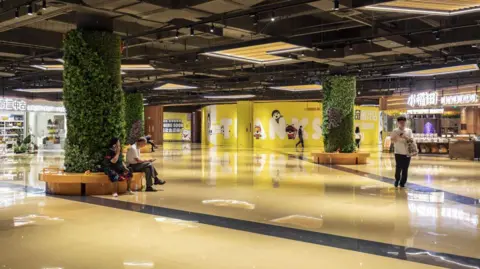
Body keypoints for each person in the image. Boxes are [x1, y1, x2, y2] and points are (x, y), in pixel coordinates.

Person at [390, 116, 413, 188]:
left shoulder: (409, 131)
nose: (402, 124)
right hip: (398, 152)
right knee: (398, 167)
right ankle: (397, 179)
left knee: (405, 169)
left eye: (403, 122)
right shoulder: (395, 131)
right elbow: (392, 140)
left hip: (407, 152)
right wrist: (397, 137)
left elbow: (411, 141)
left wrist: (405, 137)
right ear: (398, 123)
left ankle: (402, 183)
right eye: (400, 122)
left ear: (406, 122)